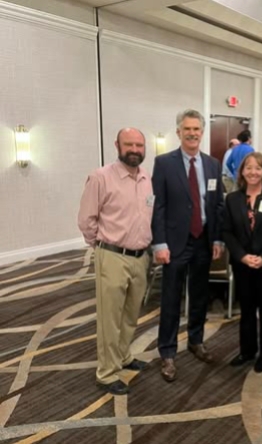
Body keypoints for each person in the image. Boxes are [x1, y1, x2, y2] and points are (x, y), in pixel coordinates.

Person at [78, 128, 153, 396]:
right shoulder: (101, 177)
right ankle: (107, 372)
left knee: (130, 314)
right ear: (117, 145)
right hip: (112, 256)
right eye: (129, 144)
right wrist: (101, 248)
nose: (134, 149)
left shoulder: (146, 178)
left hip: (141, 257)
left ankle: (123, 356)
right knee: (109, 318)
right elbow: (86, 219)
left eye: (139, 145)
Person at [151, 109, 224, 383]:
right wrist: (159, 243)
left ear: (202, 132)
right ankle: (168, 352)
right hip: (174, 243)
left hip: (203, 239)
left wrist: (217, 238)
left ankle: (196, 340)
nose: (192, 133)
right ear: (178, 132)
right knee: (171, 297)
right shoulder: (164, 163)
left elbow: (217, 204)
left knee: (200, 294)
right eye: (187, 129)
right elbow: (158, 206)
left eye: (196, 129)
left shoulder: (213, 164)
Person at [223, 152, 262, 373]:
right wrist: (242, 256)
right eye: (248, 168)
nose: (253, 172)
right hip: (243, 264)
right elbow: (227, 232)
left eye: (258, 168)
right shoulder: (233, 199)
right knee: (247, 309)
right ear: (242, 171)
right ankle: (247, 351)